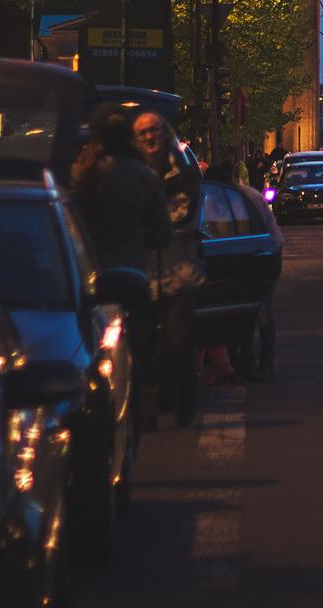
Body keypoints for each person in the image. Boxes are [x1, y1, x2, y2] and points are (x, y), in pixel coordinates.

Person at [71, 106, 169, 429]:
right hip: (132, 274)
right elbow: (161, 234)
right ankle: (141, 408)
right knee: (140, 346)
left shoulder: (83, 173)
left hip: (93, 279)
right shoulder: (144, 176)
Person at [134, 112, 204, 428]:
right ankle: (151, 407)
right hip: (143, 276)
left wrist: (143, 230)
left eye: (154, 131)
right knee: (144, 345)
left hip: (179, 271)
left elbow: (184, 219)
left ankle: (184, 402)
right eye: (143, 132)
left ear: (164, 134)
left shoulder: (185, 175)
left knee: (178, 343)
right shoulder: (131, 175)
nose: (149, 137)